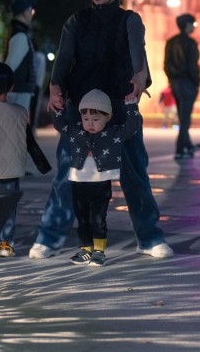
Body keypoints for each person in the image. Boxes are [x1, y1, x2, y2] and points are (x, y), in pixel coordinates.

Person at [35, 0, 171, 260]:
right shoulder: (76, 21)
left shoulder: (130, 20)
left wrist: (140, 78)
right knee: (68, 171)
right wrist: (55, 87)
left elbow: (139, 56)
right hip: (80, 109)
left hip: (120, 106)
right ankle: (50, 237)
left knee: (134, 172)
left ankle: (149, 237)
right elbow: (63, 60)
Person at [0, 62, 51, 258]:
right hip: (10, 173)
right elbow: (30, 142)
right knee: (8, 208)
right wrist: (43, 166)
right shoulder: (20, 113)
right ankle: (5, 244)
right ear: (12, 87)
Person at [62, 89, 141, 267]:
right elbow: (60, 124)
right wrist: (61, 106)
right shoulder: (76, 131)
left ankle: (99, 251)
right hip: (78, 182)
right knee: (81, 219)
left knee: (97, 219)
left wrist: (131, 106)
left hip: (100, 184)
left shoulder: (113, 133)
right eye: (86, 119)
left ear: (109, 116)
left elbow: (132, 127)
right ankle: (85, 249)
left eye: (96, 119)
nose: (90, 123)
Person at [164, 13, 200, 160]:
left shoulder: (171, 42)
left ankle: (188, 145)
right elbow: (193, 65)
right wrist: (196, 81)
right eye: (192, 24)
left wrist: (171, 79)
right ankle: (180, 148)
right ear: (186, 25)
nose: (193, 27)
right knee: (185, 118)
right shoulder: (190, 43)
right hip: (187, 83)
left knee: (183, 116)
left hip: (175, 83)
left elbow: (166, 64)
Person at [3, 0, 38, 122]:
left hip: (16, 88)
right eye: (30, 11)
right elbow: (10, 65)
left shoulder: (12, 33)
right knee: (16, 127)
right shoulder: (20, 36)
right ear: (23, 12)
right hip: (18, 89)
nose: (31, 14)